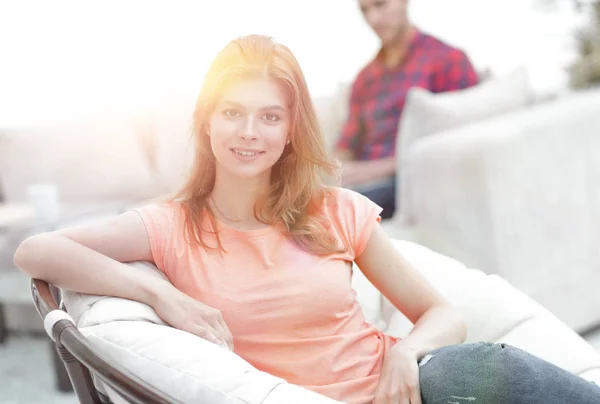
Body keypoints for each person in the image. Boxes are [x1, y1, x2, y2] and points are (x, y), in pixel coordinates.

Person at [14, 35, 600, 404]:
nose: (250, 132)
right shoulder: (172, 225)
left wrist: (403, 353)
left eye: (270, 116)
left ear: (291, 129)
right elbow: (36, 252)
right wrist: (155, 292)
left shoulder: (333, 210)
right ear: (207, 121)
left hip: (424, 388)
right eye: (233, 113)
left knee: (472, 374)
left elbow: (443, 314)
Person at [335, 0, 480, 219]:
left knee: (328, 215)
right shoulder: (365, 78)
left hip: (410, 183)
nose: (373, 19)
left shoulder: (448, 61)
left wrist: (377, 169)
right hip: (363, 185)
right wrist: (336, 169)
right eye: (365, 10)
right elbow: (347, 145)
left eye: (380, 4)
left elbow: (458, 149)